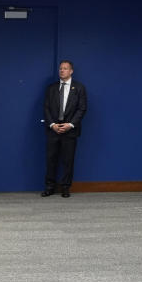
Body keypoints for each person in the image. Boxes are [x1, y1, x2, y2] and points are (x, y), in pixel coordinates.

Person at [42, 60, 87, 198]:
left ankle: (66, 187)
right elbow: (46, 108)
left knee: (68, 160)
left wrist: (70, 124)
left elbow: (82, 108)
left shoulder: (79, 88)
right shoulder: (51, 88)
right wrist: (52, 125)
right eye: (60, 68)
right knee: (51, 160)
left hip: (70, 130)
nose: (62, 71)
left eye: (65, 68)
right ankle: (50, 187)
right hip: (53, 129)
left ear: (71, 71)